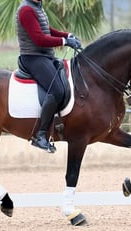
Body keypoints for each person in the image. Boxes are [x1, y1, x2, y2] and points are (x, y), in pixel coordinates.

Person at [16, 0, 81, 153]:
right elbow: (39, 38)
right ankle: (40, 135)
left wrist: (67, 35)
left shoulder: (36, 7)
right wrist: (65, 41)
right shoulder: (26, 10)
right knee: (57, 90)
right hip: (32, 58)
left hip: (44, 57)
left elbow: (46, 30)